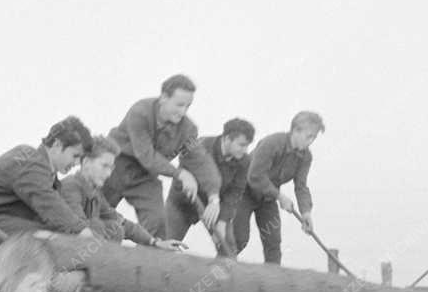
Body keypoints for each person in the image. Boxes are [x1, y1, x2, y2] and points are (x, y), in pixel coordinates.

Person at [0, 117, 94, 262]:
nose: (76, 163)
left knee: (49, 235)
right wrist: (82, 232)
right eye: (75, 156)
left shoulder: (48, 177)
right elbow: (50, 205)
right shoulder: (30, 160)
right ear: (57, 145)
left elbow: (58, 214)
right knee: (46, 238)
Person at [102, 75, 221, 240]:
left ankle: (144, 263)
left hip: (144, 176)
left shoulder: (188, 129)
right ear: (164, 97)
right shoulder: (140, 111)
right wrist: (181, 174)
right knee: (92, 212)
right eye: (179, 105)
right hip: (114, 167)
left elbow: (201, 161)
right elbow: (146, 155)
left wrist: (214, 197)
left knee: (157, 223)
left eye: (188, 106)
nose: (183, 111)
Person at [59, 137, 184, 250]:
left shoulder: (94, 193)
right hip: (52, 256)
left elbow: (122, 223)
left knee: (115, 228)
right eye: (104, 166)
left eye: (111, 168)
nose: (108, 174)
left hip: (78, 256)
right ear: (86, 163)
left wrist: (155, 242)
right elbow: (78, 228)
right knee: (102, 227)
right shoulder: (71, 187)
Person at [232, 111, 324, 265]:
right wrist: (280, 197)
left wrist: (306, 212)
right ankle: (218, 276)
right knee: (239, 239)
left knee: (273, 242)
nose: (310, 141)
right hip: (244, 193)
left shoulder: (305, 157)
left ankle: (271, 284)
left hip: (268, 198)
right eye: (308, 136)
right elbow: (254, 176)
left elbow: (301, 186)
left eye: (313, 138)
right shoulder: (271, 143)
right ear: (295, 130)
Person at [166, 119, 255, 254]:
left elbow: (235, 193)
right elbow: (184, 160)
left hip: (215, 207)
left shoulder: (244, 161)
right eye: (241, 145)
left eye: (247, 146)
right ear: (227, 139)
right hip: (183, 203)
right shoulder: (201, 145)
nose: (245, 150)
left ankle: (218, 275)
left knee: (228, 248)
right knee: (162, 243)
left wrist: (223, 221)